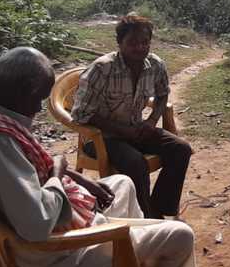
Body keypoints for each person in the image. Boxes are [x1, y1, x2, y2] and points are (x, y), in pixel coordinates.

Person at [0, 47, 197, 267]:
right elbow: (36, 224)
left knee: (122, 183)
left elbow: (26, 178)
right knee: (180, 235)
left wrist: (76, 178)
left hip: (50, 229)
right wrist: (57, 173)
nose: (37, 107)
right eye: (39, 99)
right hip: (54, 256)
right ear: (25, 90)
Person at [71, 15, 192, 219]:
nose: (140, 48)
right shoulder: (102, 69)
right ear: (119, 43)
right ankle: (146, 217)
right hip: (102, 137)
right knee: (135, 163)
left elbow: (163, 94)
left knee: (181, 149)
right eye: (133, 43)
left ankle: (158, 208)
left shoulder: (155, 64)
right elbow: (80, 113)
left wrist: (151, 121)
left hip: (137, 130)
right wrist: (122, 131)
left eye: (145, 42)